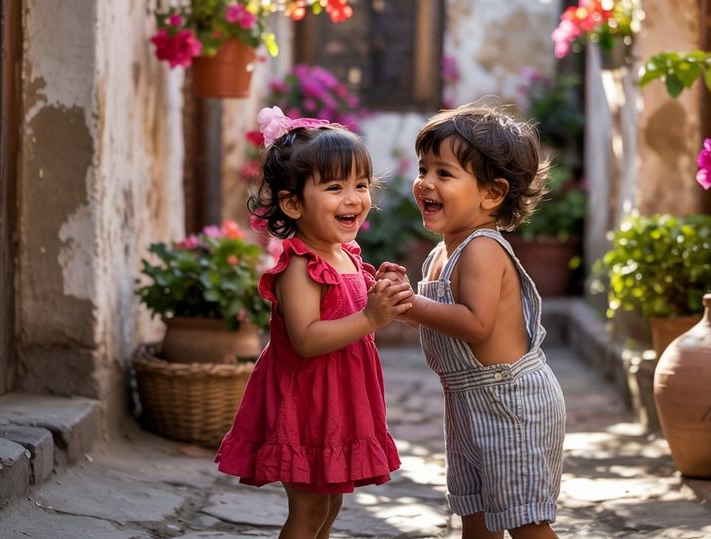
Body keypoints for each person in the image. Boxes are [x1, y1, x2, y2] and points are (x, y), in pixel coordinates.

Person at [216, 106, 413, 539]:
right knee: (307, 510)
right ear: (292, 203)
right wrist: (370, 316)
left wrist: (384, 293)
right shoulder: (300, 265)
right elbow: (305, 339)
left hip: (340, 401)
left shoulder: (347, 255)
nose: (354, 198)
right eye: (335, 187)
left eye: (361, 185)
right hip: (307, 403)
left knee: (329, 503)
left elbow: (356, 308)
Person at [378, 103, 567, 538]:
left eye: (444, 173)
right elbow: (445, 323)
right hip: (468, 404)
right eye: (423, 169)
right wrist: (404, 305)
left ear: (492, 194)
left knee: (525, 522)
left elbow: (476, 324)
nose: (425, 182)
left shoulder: (482, 248)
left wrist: (413, 303)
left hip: (511, 404)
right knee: (476, 516)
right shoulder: (440, 253)